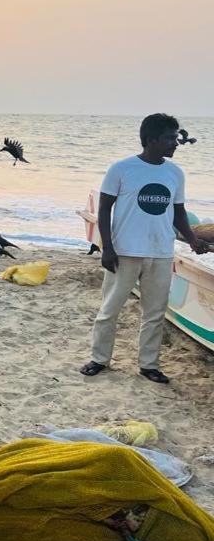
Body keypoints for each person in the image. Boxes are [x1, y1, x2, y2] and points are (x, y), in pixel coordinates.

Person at [80, 113, 208, 384]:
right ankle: (99, 359)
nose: (176, 143)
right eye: (170, 138)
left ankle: (149, 365)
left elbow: (178, 212)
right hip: (125, 252)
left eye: (176, 137)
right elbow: (104, 210)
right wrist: (107, 248)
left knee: (154, 313)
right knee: (109, 310)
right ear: (151, 140)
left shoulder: (174, 173)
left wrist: (192, 240)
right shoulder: (122, 169)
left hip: (161, 252)